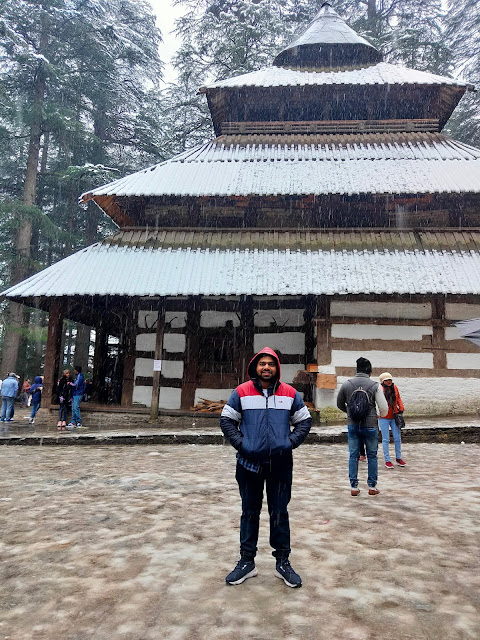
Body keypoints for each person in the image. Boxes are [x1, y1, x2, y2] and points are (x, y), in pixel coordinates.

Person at [220, 347, 312, 588]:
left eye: (271, 363)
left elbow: (304, 421)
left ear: (277, 367)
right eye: (262, 363)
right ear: (255, 367)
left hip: (280, 465)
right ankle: (246, 562)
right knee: (249, 512)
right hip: (248, 465)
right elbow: (226, 420)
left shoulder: (290, 393)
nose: (266, 367)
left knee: (279, 513)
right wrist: (243, 445)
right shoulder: (241, 392)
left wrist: (288, 443)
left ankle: (283, 562)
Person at [336, 357, 388, 496]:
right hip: (370, 425)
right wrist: (377, 415)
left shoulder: (346, 385)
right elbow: (384, 408)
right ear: (369, 370)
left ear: (356, 369)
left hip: (353, 425)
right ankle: (372, 486)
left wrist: (350, 412)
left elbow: (339, 403)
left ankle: (354, 487)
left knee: (353, 455)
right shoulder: (375, 385)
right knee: (372, 456)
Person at [378, 372, 406, 468]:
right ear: (383, 381)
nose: (389, 381)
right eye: (386, 380)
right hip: (383, 417)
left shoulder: (395, 388)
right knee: (386, 439)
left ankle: (398, 457)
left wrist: (401, 407)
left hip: (394, 415)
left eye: (390, 379)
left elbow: (398, 399)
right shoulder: (379, 390)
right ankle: (387, 460)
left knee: (397, 438)